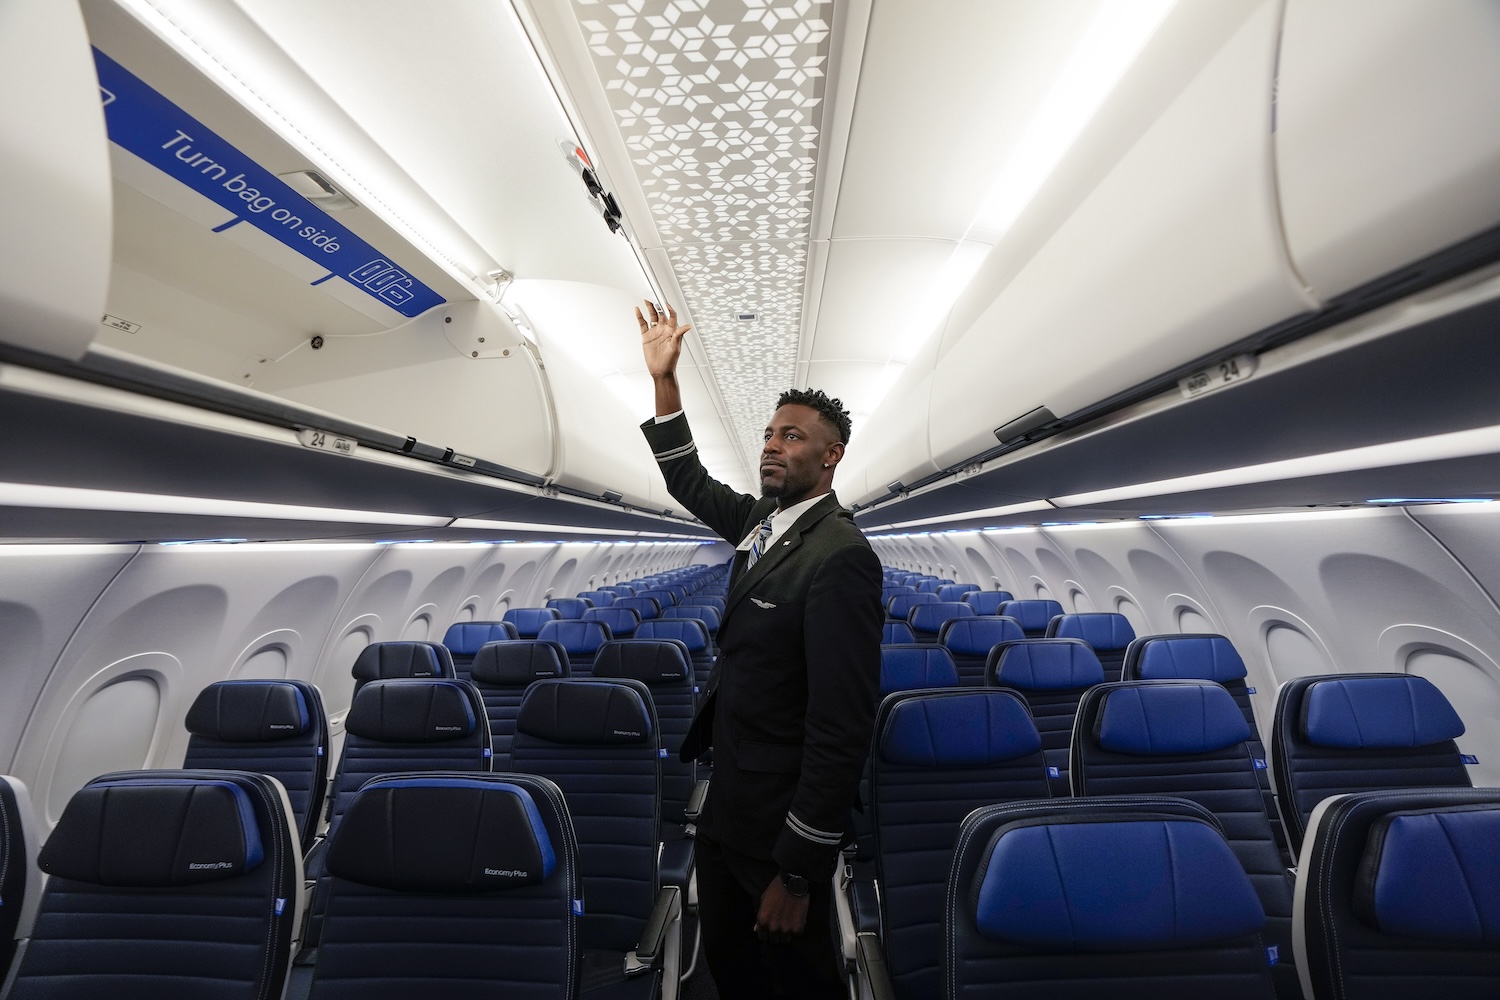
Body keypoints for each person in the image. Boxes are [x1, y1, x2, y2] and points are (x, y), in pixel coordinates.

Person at [636, 302, 883, 999]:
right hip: (728, 808)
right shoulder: (763, 524)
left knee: (794, 982)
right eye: (770, 434)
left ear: (830, 455)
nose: (773, 445)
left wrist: (799, 870)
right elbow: (687, 482)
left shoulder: (841, 557)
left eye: (793, 436)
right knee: (731, 968)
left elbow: (841, 727)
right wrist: (664, 380)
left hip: (778, 835)